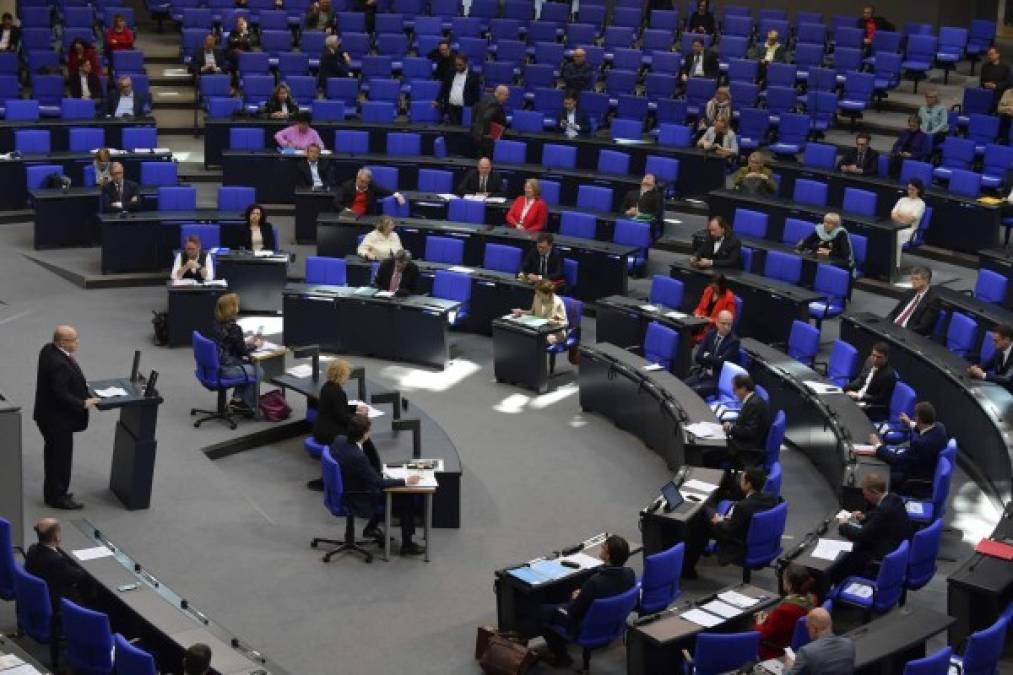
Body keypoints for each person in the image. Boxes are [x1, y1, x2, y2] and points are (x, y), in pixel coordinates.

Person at [535, 535, 636, 667]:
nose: (601, 548)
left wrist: (577, 597)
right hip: (611, 622)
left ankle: (562, 657)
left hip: (584, 626)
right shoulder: (630, 573)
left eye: (603, 548)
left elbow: (574, 612)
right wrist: (584, 594)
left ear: (608, 556)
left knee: (541, 612)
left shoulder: (594, 582)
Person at [334, 415, 425, 555]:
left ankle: (371, 528)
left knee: (381, 479)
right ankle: (407, 545)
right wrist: (406, 481)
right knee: (407, 497)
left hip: (346, 487)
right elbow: (379, 484)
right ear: (364, 435)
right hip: (358, 496)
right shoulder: (358, 457)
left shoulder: (339, 440)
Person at [33, 326, 99, 510]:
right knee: (60, 459)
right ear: (62, 342)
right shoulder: (59, 364)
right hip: (57, 421)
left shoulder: (48, 349)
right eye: (73, 339)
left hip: (46, 416)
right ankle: (58, 497)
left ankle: (53, 492)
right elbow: (60, 393)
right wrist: (82, 403)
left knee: (54, 456)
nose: (77, 342)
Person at [683, 467, 777, 578]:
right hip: (756, 537)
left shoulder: (742, 507)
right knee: (705, 514)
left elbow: (728, 532)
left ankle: (688, 568)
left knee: (701, 522)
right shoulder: (771, 499)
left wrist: (718, 521)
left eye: (742, 479)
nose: (739, 481)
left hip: (738, 543)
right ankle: (690, 566)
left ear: (748, 484)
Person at [307, 358, 377, 490]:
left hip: (321, 428)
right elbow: (343, 417)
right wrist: (360, 417)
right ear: (341, 375)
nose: (348, 378)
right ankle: (365, 473)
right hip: (328, 433)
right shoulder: (337, 392)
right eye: (347, 375)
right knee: (359, 436)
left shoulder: (327, 386)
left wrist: (356, 408)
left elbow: (339, 408)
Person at [838, 472, 910, 578]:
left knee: (851, 556)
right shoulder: (893, 498)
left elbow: (861, 535)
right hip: (899, 547)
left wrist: (843, 525)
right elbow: (877, 513)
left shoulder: (884, 510)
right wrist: (864, 517)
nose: (865, 498)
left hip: (887, 554)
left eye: (866, 494)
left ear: (874, 492)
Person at [870, 401, 947, 492]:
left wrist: (877, 445)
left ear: (918, 418)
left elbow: (895, 459)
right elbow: (925, 430)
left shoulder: (920, 444)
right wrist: (910, 423)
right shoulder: (939, 427)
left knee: (878, 477)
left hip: (913, 480)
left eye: (915, 416)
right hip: (927, 468)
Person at [212, 293, 262, 415]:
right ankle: (247, 405)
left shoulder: (216, 324)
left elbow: (229, 343)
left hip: (215, 365)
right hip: (226, 368)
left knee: (247, 366)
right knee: (258, 371)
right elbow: (243, 352)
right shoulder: (235, 328)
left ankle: (238, 399)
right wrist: (256, 345)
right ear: (232, 309)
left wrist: (245, 342)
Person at [755, 564, 817, 660]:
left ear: (789, 584)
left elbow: (763, 635)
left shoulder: (785, 611)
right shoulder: (812, 598)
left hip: (776, 651)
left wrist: (759, 623)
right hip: (797, 643)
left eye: (784, 579)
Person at [25, 518, 92, 606]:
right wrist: (87, 568)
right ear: (56, 537)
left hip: (38, 594)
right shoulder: (56, 560)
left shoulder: (32, 549)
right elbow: (75, 576)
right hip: (57, 601)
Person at [718, 374, 771, 469]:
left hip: (746, 451)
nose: (734, 393)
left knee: (710, 454)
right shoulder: (752, 400)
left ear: (743, 388)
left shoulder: (753, 405)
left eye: (735, 390)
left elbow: (749, 432)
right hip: (744, 444)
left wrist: (731, 428)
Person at [684, 309, 739, 396]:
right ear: (717, 323)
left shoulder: (734, 342)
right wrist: (714, 359)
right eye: (724, 323)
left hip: (716, 379)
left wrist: (707, 356)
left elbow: (721, 364)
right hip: (702, 372)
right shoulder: (710, 334)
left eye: (729, 324)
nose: (727, 327)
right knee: (683, 386)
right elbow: (698, 357)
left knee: (693, 391)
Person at [785, 608, 855, 675]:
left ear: (814, 629)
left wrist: (788, 666)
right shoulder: (849, 644)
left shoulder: (806, 651)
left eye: (808, 628)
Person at [844, 342, 897, 417]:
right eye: (873, 355)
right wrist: (844, 388)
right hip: (860, 397)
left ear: (886, 358)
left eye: (879, 357)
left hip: (872, 406)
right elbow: (860, 380)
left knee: (845, 409)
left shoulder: (889, 375)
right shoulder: (869, 361)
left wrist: (859, 396)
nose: (875, 359)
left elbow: (881, 399)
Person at [886, 266, 939, 336]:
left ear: (926, 281)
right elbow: (894, 312)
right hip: (893, 327)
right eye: (912, 278)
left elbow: (922, 327)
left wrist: (901, 331)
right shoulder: (909, 292)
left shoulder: (932, 300)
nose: (912, 282)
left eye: (916, 279)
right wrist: (885, 324)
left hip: (907, 333)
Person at [335, 167, 405, 215]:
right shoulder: (346, 186)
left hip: (367, 216)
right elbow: (336, 202)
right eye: (361, 181)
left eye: (366, 182)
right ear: (357, 178)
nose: (363, 184)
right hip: (350, 216)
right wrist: (346, 210)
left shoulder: (372, 186)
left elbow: (385, 191)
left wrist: (397, 195)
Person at [435, 53, 481, 125]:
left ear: (466, 63)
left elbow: (476, 95)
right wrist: (437, 100)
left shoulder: (474, 76)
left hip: (464, 109)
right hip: (451, 108)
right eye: (456, 64)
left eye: (460, 65)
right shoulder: (450, 72)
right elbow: (444, 88)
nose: (457, 67)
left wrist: (474, 110)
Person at [890, 179, 927, 268]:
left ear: (918, 190)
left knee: (896, 236)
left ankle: (895, 266)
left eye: (912, 189)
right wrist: (904, 216)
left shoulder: (921, 204)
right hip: (896, 227)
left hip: (910, 231)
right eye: (909, 189)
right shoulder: (902, 199)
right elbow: (892, 215)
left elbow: (910, 220)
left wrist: (899, 214)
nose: (909, 191)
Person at [968, 323, 1013, 392]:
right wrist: (975, 369)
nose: (993, 343)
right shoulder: (999, 350)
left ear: (1006, 340)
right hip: (999, 389)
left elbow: (1007, 379)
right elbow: (987, 365)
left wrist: (983, 375)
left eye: (996, 341)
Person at [691, 274, 736, 343]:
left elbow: (729, 320)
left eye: (715, 287)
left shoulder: (729, 298)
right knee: (686, 332)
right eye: (712, 286)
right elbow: (699, 307)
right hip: (701, 323)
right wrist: (697, 314)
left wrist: (711, 320)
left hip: (714, 329)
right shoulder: (709, 290)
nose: (713, 289)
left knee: (692, 338)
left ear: (722, 286)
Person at [471, 85, 509, 159]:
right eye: (506, 95)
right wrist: (488, 134)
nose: (507, 97)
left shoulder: (486, 98)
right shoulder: (495, 104)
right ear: (499, 94)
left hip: (477, 136)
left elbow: (474, 110)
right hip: (486, 140)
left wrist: (475, 126)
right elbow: (486, 117)